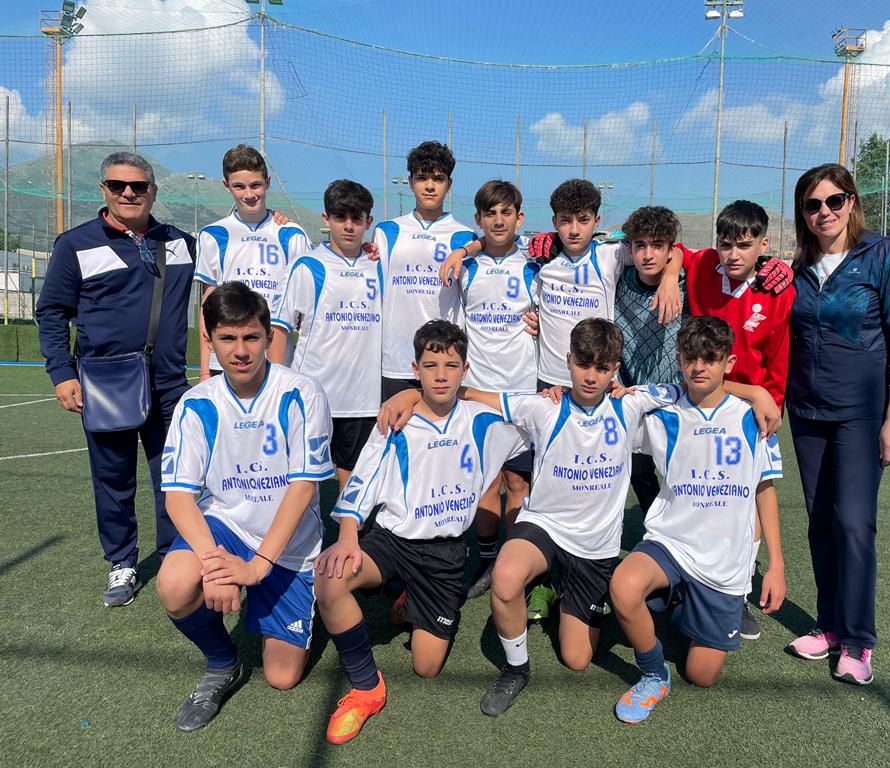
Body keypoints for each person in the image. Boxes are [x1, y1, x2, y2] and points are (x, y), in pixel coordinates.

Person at [315, 320, 525, 746]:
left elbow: (541, 411)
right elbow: (361, 480)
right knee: (330, 577)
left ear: (466, 370)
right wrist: (349, 534)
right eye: (430, 366)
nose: (441, 374)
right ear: (415, 367)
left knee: (426, 667)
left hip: (446, 555)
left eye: (451, 365)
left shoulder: (484, 420)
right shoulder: (396, 421)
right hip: (392, 543)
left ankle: (410, 599)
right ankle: (365, 687)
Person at [460, 318, 684, 716]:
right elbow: (469, 395)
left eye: (602, 367)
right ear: (568, 361)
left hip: (594, 547)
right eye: (583, 364)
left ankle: (554, 585)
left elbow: (693, 384)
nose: (591, 376)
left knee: (577, 658)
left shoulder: (629, 403)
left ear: (615, 369)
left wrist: (755, 392)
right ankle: (515, 668)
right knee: (507, 577)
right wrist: (404, 399)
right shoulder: (544, 405)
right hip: (545, 525)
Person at [156, 282, 332, 731]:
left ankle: (284, 598)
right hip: (226, 527)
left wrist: (256, 567)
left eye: (251, 337)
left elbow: (302, 489)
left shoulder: (302, 392)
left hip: (288, 545)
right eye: (228, 338)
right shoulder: (196, 403)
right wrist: (215, 564)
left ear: (268, 336)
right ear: (211, 340)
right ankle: (222, 661)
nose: (240, 350)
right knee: (175, 584)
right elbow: (178, 496)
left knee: (282, 676)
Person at [36, 151, 196, 607]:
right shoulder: (75, 243)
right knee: (113, 477)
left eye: (139, 186)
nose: (129, 193)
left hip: (168, 385)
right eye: (118, 185)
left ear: (153, 191)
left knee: (175, 477)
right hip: (105, 384)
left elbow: (230, 262)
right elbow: (51, 312)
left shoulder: (181, 242)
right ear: (103, 190)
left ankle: (175, 557)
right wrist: (61, 372)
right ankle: (122, 562)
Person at [609, 315, 785, 724]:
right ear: (678, 359)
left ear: (729, 361)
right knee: (622, 586)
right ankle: (654, 673)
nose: (699, 366)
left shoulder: (753, 418)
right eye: (690, 357)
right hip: (671, 541)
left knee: (701, 675)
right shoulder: (662, 412)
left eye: (710, 358)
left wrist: (775, 564)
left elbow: (764, 490)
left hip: (723, 564)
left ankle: (685, 604)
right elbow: (612, 403)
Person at [784, 163, 890, 686]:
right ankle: (830, 627)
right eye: (813, 205)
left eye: (834, 201)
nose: (825, 213)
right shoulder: (793, 268)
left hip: (863, 414)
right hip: (807, 412)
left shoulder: (882, 256)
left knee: (854, 524)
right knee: (820, 523)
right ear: (803, 213)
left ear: (852, 202)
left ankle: (859, 642)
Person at [682, 200, 795, 641]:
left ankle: (739, 590)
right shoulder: (703, 265)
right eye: (725, 244)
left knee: (748, 499)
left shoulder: (777, 289)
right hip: (701, 400)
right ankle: (692, 579)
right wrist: (673, 278)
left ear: (763, 246)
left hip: (751, 411)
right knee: (700, 491)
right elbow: (670, 249)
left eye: (745, 246)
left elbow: (779, 353)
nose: (732, 255)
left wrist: (774, 402)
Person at [454, 180, 538, 599]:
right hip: (478, 393)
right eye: (491, 214)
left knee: (519, 485)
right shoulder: (465, 267)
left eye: (507, 213)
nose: (499, 220)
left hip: (524, 393)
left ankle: (513, 560)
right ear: (479, 220)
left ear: (519, 218)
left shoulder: (534, 264)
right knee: (485, 485)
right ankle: (486, 562)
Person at [269, 179, 382, 493]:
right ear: (326, 219)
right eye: (340, 218)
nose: (348, 226)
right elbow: (279, 328)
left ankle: (351, 540)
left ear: (368, 222)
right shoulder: (307, 266)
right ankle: (302, 540)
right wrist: (276, 385)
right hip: (315, 394)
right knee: (303, 476)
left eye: (356, 219)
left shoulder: (380, 266)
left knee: (354, 478)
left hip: (363, 399)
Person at [194, 144, 312, 380]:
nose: (249, 194)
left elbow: (305, 303)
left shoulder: (291, 234)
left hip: (278, 360)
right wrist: (205, 369)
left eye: (255, 185)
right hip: (226, 360)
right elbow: (208, 302)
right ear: (226, 186)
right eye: (239, 186)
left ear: (267, 181)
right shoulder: (213, 234)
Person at [374, 141, 475, 401]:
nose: (430, 185)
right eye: (422, 178)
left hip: (444, 360)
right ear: (410, 181)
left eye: (438, 179)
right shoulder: (387, 232)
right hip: (396, 358)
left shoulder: (464, 236)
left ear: (449, 184)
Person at [613, 206, 688, 515]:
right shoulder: (618, 278)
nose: (647, 254)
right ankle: (656, 526)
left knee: (680, 473)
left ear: (670, 250)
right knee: (639, 472)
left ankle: (685, 531)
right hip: (631, 395)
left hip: (676, 396)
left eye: (657, 245)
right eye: (640, 245)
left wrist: (673, 273)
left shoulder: (685, 280)